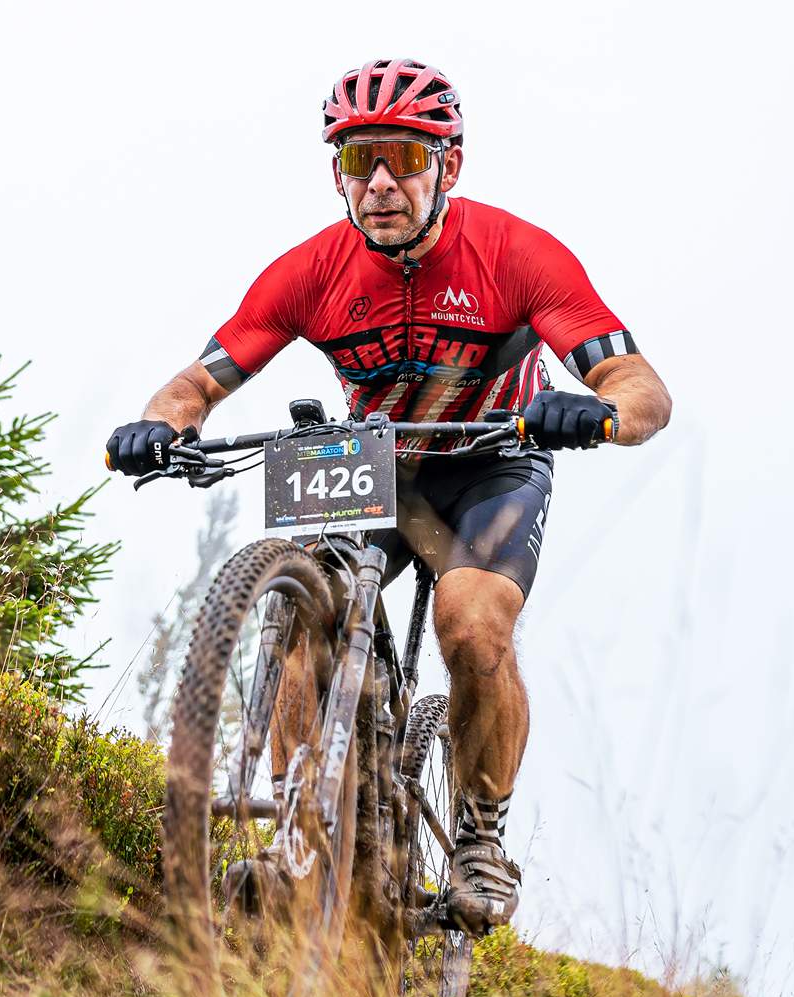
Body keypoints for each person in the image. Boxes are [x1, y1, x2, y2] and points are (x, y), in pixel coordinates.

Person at [106, 58, 673, 934]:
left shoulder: (516, 254)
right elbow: (196, 383)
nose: (378, 182)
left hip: (491, 459)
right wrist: (159, 424)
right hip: (376, 461)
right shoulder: (310, 271)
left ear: (449, 165)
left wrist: (596, 412)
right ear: (336, 174)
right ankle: (301, 829)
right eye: (356, 159)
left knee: (471, 623)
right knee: (306, 607)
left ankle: (480, 834)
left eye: (403, 159)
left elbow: (641, 386)